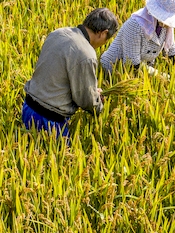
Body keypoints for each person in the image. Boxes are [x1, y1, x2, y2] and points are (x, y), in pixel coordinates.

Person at [22, 8, 119, 138]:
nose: (103, 44)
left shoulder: (58, 33)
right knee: (56, 155)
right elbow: (85, 99)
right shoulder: (86, 54)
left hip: (28, 107)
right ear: (103, 33)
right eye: (106, 40)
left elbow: (57, 75)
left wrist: (93, 91)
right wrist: (99, 105)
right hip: (49, 119)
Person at [100, 0, 175, 75]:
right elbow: (131, 63)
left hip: (144, 69)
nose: (170, 22)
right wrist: (164, 76)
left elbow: (173, 53)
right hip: (115, 69)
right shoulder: (135, 25)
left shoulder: (167, 25)